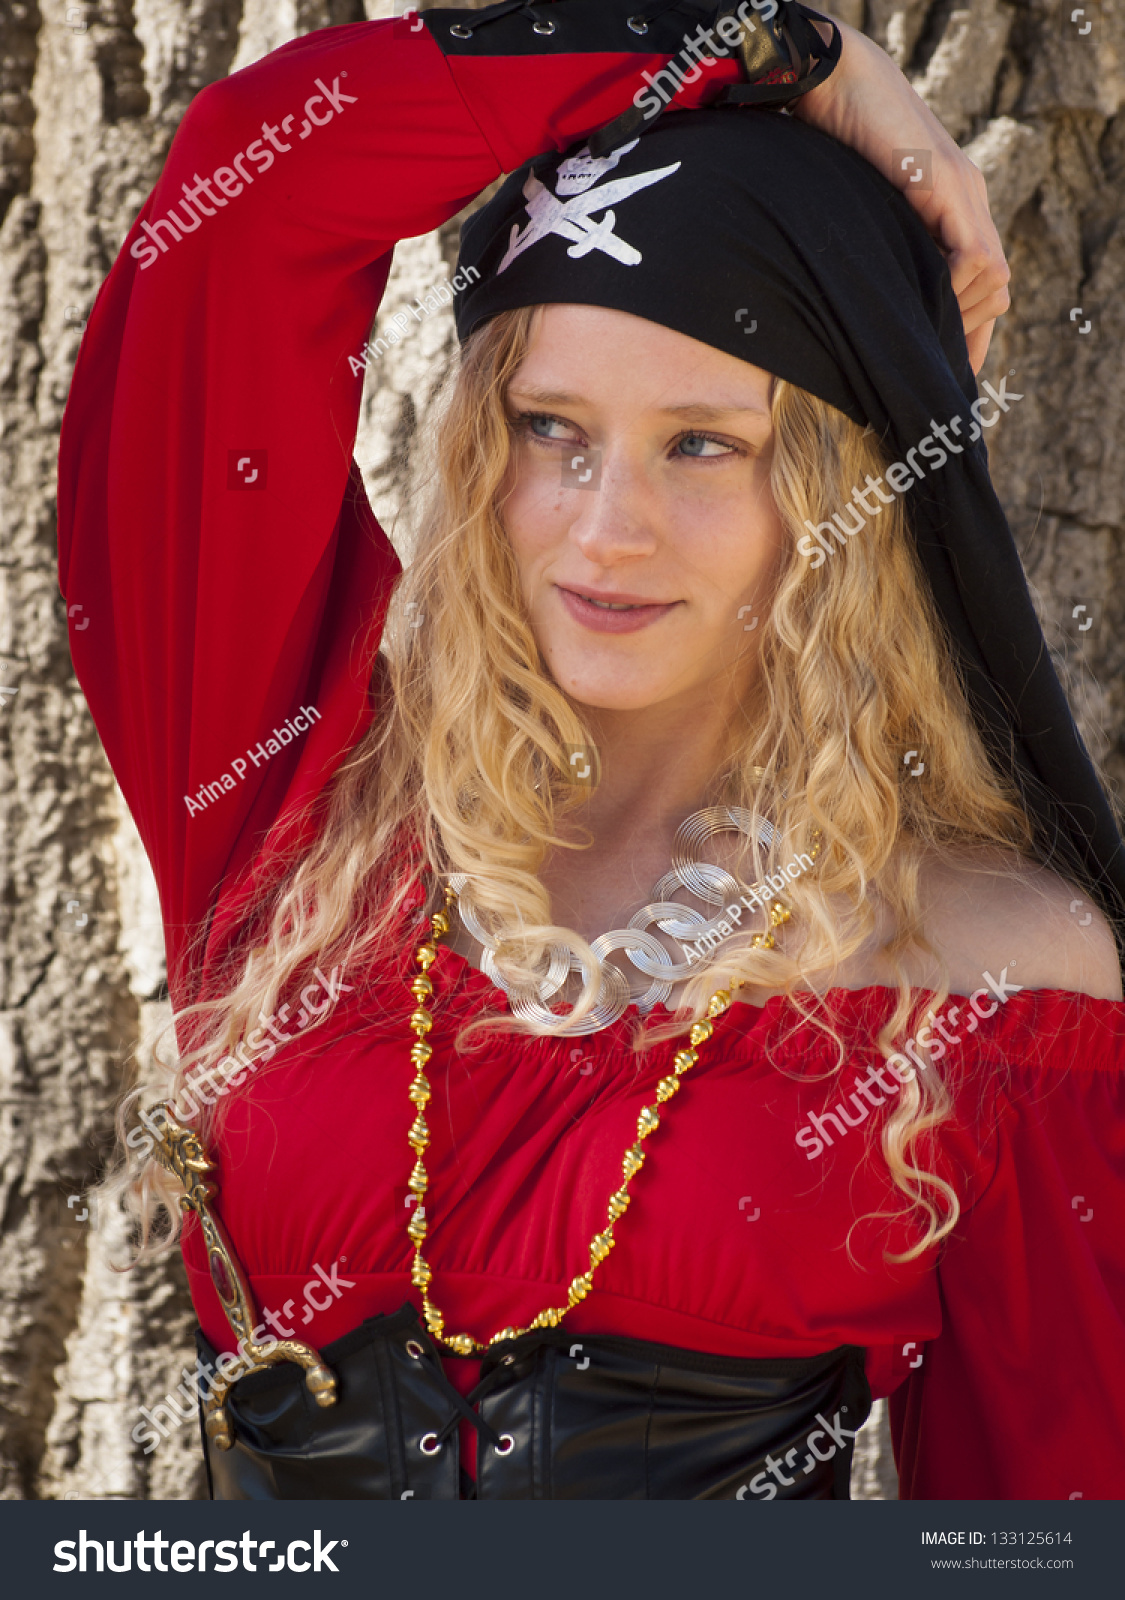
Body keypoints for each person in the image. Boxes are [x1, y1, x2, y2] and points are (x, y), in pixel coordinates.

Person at [58, 2, 1125, 1500]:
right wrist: (782, 52)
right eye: (549, 428)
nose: (603, 526)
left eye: (705, 444)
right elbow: (249, 193)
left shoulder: (988, 974)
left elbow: (1052, 1530)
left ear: (842, 498)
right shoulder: (282, 791)